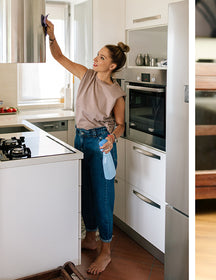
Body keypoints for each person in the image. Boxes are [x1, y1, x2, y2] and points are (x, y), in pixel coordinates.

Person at [46, 19, 128, 273]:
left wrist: (114, 137)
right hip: (80, 140)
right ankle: (90, 238)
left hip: (102, 144)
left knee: (103, 198)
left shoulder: (116, 94)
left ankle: (106, 251)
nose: (95, 59)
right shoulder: (86, 75)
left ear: (112, 65)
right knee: (85, 192)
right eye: (97, 55)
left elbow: (121, 125)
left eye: (101, 57)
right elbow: (59, 56)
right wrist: (52, 35)